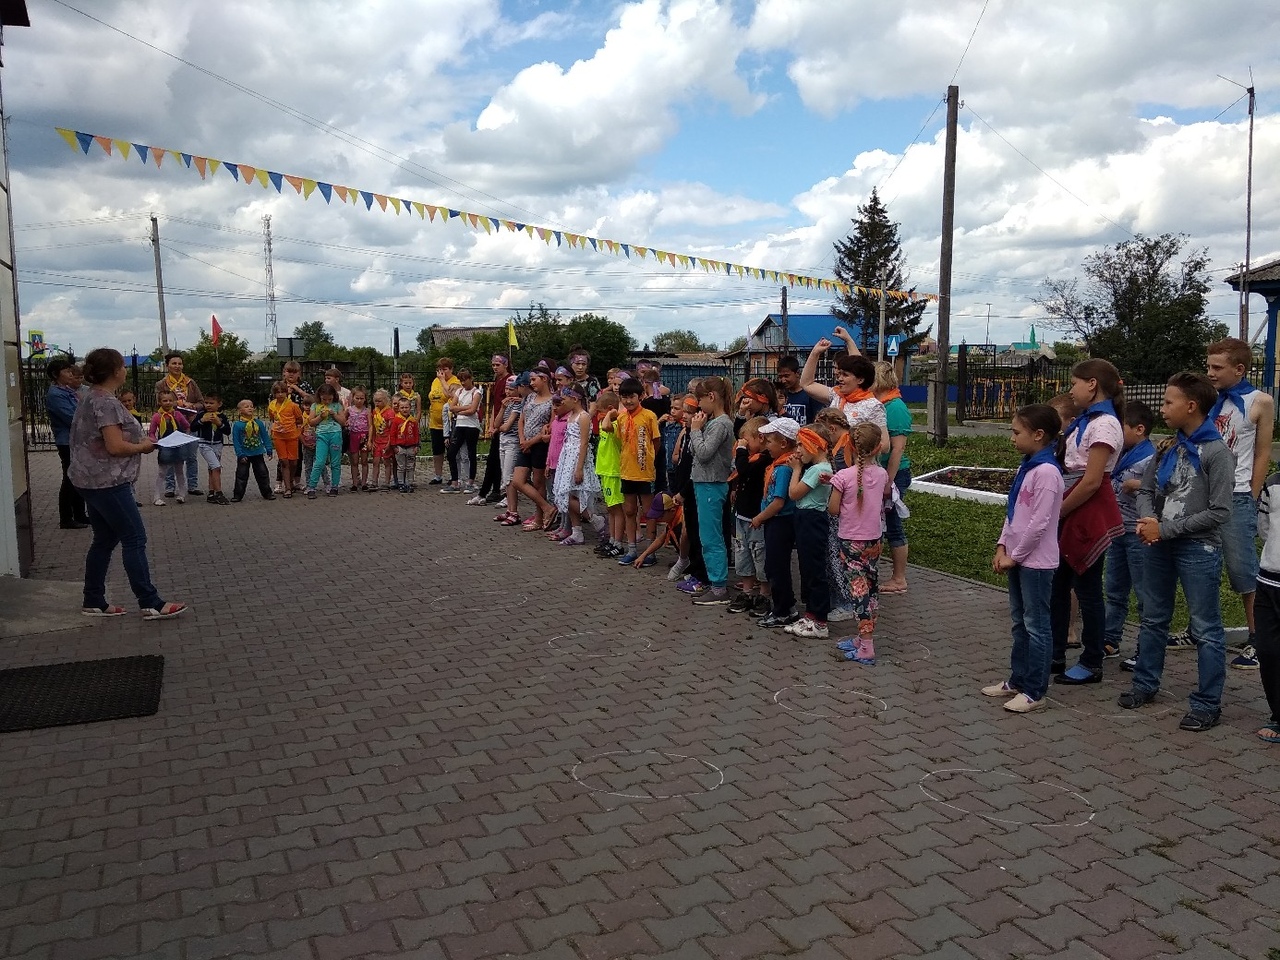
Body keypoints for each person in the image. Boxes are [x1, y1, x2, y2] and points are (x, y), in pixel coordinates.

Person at [1120, 372, 1232, 732]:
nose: (1162, 409)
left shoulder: (1216, 452)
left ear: (1191, 406)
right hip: (1159, 544)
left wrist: (1164, 529)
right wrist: (1149, 519)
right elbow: (1145, 491)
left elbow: (1220, 511)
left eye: (1169, 402)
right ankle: (1145, 682)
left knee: (1205, 628)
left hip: (1197, 548)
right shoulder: (1167, 446)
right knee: (1153, 617)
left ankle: (1207, 703)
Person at [70, 348, 186, 620]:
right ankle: (150, 602)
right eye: (122, 365)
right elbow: (115, 446)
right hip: (108, 481)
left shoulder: (89, 397)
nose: (124, 370)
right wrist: (143, 446)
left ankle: (94, 600)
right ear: (114, 371)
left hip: (88, 479)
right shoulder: (106, 403)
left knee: (104, 539)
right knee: (134, 537)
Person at [983, 404, 1065, 712]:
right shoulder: (1027, 467)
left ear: (1039, 435)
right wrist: (1002, 546)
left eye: (1017, 432)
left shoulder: (1047, 473)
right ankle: (1017, 680)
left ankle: (1035, 691)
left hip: (1036, 563)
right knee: (1020, 623)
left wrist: (1015, 557)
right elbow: (1014, 513)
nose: (1012, 438)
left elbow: (1040, 523)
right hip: (1017, 558)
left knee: (1037, 625)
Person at [1052, 359, 1126, 686]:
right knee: (1058, 583)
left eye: (1075, 383)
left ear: (1092, 384)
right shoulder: (1087, 421)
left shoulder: (1104, 424)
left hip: (1085, 508)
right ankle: (1055, 651)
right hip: (1071, 503)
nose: (1071, 390)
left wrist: (1058, 511)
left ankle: (1092, 659)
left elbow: (1092, 480)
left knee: (1087, 587)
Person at [1205, 336, 1272, 669]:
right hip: (1204, 496)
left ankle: (1259, 638)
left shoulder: (1260, 401)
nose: (1210, 373)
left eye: (1217, 367)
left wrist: (1251, 492)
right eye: (1208, 366)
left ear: (1240, 369)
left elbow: (1262, 452)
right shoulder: (1208, 399)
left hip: (1237, 496)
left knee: (1243, 570)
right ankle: (1201, 629)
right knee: (1203, 565)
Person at [828, 422, 889, 664]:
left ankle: (866, 645)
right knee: (870, 586)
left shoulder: (843, 476)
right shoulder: (882, 474)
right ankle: (862, 638)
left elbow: (833, 509)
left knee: (858, 591)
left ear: (850, 447)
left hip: (851, 541)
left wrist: (836, 487)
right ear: (878, 448)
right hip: (874, 539)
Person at [1106, 401, 1156, 669]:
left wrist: (1139, 485)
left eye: (1121, 427)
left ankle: (1145, 650)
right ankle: (1110, 639)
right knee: (1115, 589)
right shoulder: (1120, 453)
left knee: (1144, 594)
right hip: (1117, 530)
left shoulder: (1151, 458)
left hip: (1138, 533)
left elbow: (1162, 490)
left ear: (1139, 429)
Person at [686, 376, 736, 606]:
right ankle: (714, 581)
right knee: (706, 536)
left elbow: (704, 453)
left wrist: (696, 430)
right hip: (703, 482)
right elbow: (694, 450)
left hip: (712, 484)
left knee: (711, 537)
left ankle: (719, 587)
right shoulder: (712, 422)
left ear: (711, 397)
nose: (698, 404)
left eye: (700, 399)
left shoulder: (721, 424)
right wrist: (697, 429)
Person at [784, 425, 835, 636]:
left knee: (815, 570)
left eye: (800, 445)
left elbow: (794, 493)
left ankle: (820, 621)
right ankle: (811, 615)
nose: (797, 450)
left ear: (815, 445)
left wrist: (796, 469)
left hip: (812, 519)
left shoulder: (818, 470)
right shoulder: (816, 468)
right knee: (807, 568)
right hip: (805, 518)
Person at [798, 335, 890, 451]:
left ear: (860, 380)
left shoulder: (873, 406)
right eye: (839, 374)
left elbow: (884, 445)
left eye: (845, 375)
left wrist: (847, 442)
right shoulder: (836, 395)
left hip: (855, 461)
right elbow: (806, 384)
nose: (839, 379)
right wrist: (815, 353)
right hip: (830, 458)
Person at [754, 417, 801, 628]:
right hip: (775, 521)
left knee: (777, 567)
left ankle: (782, 611)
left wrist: (759, 517)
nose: (766, 446)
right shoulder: (778, 465)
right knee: (774, 566)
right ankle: (786, 606)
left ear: (783, 444)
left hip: (780, 522)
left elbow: (778, 502)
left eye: (769, 441)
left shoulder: (783, 468)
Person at [727, 416, 773, 616]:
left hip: (756, 517)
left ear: (760, 438)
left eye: (747, 440)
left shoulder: (764, 459)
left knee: (759, 555)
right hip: (742, 514)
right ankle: (746, 592)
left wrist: (741, 450)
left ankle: (764, 594)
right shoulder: (752, 457)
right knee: (743, 554)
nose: (743, 444)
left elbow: (744, 469)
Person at [874, 361, 913, 594]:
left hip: (894, 474)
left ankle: (899, 578)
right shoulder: (880, 404)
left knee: (893, 525)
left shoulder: (895, 407)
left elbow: (897, 449)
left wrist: (888, 481)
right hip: (883, 472)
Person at [615, 377, 661, 563]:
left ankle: (650, 551)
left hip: (645, 472)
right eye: (624, 397)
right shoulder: (621, 418)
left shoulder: (649, 416)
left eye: (631, 397)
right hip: (627, 471)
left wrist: (649, 460)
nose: (628, 401)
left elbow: (656, 441)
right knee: (629, 510)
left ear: (640, 396)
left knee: (649, 512)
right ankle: (632, 549)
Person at [550, 384, 601, 546]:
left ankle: (594, 519)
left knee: (571, 495)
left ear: (575, 399)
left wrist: (579, 468)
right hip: (567, 458)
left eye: (565, 399)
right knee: (568, 494)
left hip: (577, 459)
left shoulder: (583, 417)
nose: (563, 402)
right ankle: (576, 531)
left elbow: (584, 442)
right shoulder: (571, 415)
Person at [506, 368, 556, 530]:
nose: (531, 383)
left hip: (540, 445)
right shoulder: (529, 397)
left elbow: (550, 426)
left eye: (534, 380)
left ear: (544, 379)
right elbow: (522, 420)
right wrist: (522, 439)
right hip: (525, 443)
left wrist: (531, 442)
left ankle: (539, 519)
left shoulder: (553, 401)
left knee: (538, 482)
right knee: (517, 480)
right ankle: (547, 507)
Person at [1252, 465, 1280, 743]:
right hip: (1268, 580)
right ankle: (1278, 714)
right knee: (1268, 651)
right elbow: (1264, 529)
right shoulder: (1273, 483)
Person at [46, 358, 90, 529]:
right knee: (70, 478)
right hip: (66, 441)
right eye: (65, 371)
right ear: (55, 375)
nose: (70, 374)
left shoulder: (68, 391)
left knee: (78, 477)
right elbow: (72, 417)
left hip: (76, 439)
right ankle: (66, 517)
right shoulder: (56, 395)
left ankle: (80, 514)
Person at [155, 351, 204, 496]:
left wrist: (192, 406)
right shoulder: (162, 384)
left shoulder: (190, 382)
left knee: (191, 456)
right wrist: (178, 403)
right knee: (170, 455)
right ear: (167, 366)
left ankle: (192, 486)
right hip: (170, 424)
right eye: (174, 363)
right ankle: (170, 487)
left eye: (180, 363)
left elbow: (201, 402)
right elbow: (159, 402)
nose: (177, 366)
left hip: (189, 423)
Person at [472, 355, 513, 505]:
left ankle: (494, 492)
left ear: (505, 365)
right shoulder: (497, 381)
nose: (495, 367)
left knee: (498, 462)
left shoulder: (509, 380)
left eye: (497, 365)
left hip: (506, 426)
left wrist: (499, 425)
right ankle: (493, 490)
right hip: (497, 424)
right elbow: (496, 405)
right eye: (493, 365)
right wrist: (491, 425)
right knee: (494, 461)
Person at [592, 389, 626, 555]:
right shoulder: (603, 422)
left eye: (601, 412)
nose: (598, 416)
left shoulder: (615, 424)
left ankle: (618, 543)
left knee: (617, 509)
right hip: (604, 470)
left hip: (614, 471)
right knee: (610, 509)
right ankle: (611, 540)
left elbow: (607, 426)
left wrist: (612, 414)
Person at [444, 368, 483, 494]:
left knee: (471, 453)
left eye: (465, 380)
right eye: (461, 380)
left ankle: (470, 482)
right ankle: (455, 482)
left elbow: (473, 410)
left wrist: (459, 410)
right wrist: (465, 408)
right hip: (460, 424)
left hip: (471, 426)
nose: (463, 383)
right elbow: (451, 407)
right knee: (451, 453)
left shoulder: (476, 392)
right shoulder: (459, 391)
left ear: (471, 379)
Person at [276, 361, 313, 491]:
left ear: (299, 374)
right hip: (284, 425)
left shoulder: (304, 385)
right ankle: (280, 481)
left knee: (297, 454)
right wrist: (286, 393)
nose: (291, 374)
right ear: (284, 372)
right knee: (283, 456)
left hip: (300, 424)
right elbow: (273, 402)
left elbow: (312, 399)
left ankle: (296, 480)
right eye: (288, 371)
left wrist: (298, 390)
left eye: (294, 372)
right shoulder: (280, 386)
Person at [306, 383, 348, 499]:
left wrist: (334, 414)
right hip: (321, 435)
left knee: (335, 462)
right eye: (324, 399)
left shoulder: (337, 405)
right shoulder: (315, 406)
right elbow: (311, 422)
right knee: (319, 461)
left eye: (329, 399)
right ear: (319, 396)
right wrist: (320, 417)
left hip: (335, 434)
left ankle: (334, 486)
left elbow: (343, 422)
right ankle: (311, 486)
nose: (327, 402)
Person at [149, 390, 191, 505]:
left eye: (170, 400)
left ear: (174, 401)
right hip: (165, 446)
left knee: (179, 471)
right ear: (159, 402)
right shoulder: (157, 416)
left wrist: (185, 437)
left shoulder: (177, 414)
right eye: (165, 400)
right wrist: (155, 441)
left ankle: (182, 494)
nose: (168, 403)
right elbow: (151, 432)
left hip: (178, 446)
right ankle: (156, 496)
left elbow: (187, 426)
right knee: (162, 472)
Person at [230, 400, 276, 502]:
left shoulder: (258, 423)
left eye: (251, 406)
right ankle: (237, 495)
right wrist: (240, 454)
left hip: (258, 453)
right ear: (240, 411)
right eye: (246, 406)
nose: (250, 408)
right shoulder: (238, 425)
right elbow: (236, 441)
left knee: (262, 474)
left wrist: (269, 449)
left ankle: (267, 493)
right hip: (244, 455)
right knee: (241, 475)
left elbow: (265, 437)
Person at [192, 392, 231, 505]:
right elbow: (193, 427)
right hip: (205, 444)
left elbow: (227, 431)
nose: (208, 405)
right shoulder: (201, 415)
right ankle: (219, 493)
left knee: (212, 469)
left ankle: (211, 493)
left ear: (219, 404)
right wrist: (202, 421)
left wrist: (219, 423)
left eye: (211, 403)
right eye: (206, 403)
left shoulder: (222, 416)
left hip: (217, 445)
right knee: (216, 467)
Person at [267, 381, 304, 499]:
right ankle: (287, 488)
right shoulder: (272, 405)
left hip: (292, 436)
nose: (280, 394)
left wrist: (294, 428)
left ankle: (291, 481)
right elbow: (272, 418)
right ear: (274, 394)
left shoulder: (293, 406)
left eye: (282, 392)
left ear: (286, 393)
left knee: (293, 462)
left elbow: (299, 419)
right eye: (277, 392)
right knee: (284, 461)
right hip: (279, 436)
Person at [427, 359, 460, 485]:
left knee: (452, 451)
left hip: (450, 423)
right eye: (440, 370)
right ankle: (438, 475)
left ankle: (454, 475)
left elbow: (451, 395)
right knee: (437, 451)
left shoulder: (455, 381)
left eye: (445, 369)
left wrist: (442, 380)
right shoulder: (435, 381)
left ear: (451, 369)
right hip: (435, 422)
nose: (442, 372)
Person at [775, 356, 824, 426]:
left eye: (786, 376)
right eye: (780, 377)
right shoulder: (779, 395)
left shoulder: (811, 394)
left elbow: (819, 421)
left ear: (797, 373)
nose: (783, 380)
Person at [368, 389, 396, 492]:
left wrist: (389, 443)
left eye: (379, 401)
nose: (377, 403)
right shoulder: (375, 411)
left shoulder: (390, 412)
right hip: (377, 441)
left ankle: (387, 482)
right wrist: (372, 440)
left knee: (387, 462)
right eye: (376, 401)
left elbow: (392, 430)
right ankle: (374, 482)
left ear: (386, 400)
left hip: (386, 441)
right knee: (375, 462)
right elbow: (373, 427)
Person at [391, 396, 421, 493]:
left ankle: (409, 483)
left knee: (410, 466)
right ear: (398, 408)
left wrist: (416, 445)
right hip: (400, 447)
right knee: (401, 466)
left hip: (411, 447)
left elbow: (416, 434)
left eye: (406, 407)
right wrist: (394, 446)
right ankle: (401, 483)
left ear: (410, 408)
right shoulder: (396, 420)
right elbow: (392, 434)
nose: (404, 409)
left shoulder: (413, 421)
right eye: (402, 407)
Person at [346, 386, 372, 491]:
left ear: (365, 399)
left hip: (364, 436)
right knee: (354, 461)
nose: (359, 400)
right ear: (353, 398)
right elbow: (343, 420)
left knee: (364, 460)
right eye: (357, 398)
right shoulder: (349, 410)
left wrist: (369, 440)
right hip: (353, 436)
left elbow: (370, 426)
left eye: (362, 398)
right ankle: (355, 483)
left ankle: (364, 483)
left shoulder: (367, 411)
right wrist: (346, 423)